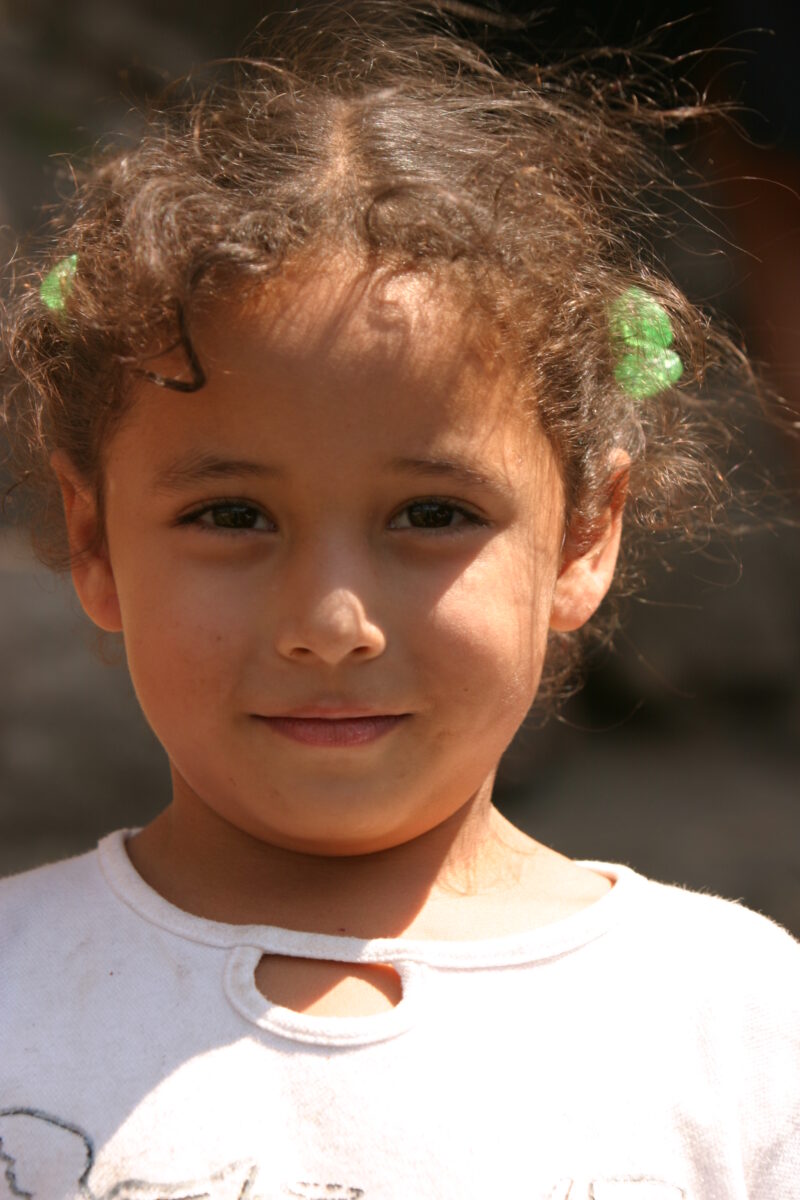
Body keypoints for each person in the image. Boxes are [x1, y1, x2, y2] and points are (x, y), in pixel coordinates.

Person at [1, 3, 797, 1196]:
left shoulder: (731, 1024)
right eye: (231, 517)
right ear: (91, 538)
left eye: (432, 517)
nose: (330, 622)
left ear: (584, 535)